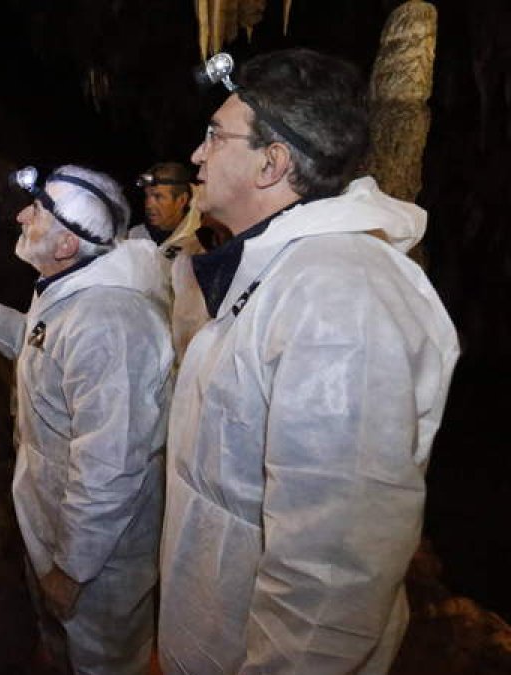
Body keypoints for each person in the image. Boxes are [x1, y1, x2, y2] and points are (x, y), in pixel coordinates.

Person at [158, 48, 460, 674]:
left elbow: (332, 571)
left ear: (273, 162)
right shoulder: (284, 273)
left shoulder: (339, 298)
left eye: (215, 136)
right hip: (217, 635)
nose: (197, 155)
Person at [0, 165, 172, 675]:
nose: (21, 215)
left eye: (37, 211)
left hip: (100, 557)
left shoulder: (111, 325)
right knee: (63, 648)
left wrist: (71, 569)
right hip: (55, 521)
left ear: (67, 243)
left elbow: (110, 467)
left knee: (102, 660)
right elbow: (43, 348)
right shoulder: (68, 288)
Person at [128, 161, 193, 246]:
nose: (149, 205)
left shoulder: (200, 240)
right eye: (147, 196)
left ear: (182, 200)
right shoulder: (134, 237)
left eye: (158, 196)